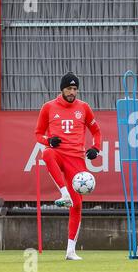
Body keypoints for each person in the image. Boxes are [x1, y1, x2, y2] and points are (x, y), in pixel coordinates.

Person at [35, 72, 102, 260]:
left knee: (77, 205)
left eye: (74, 89)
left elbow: (96, 131)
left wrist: (95, 148)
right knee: (46, 152)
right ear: (62, 89)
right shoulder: (48, 107)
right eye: (68, 88)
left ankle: (70, 251)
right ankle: (63, 193)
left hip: (77, 159)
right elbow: (38, 134)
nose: (72, 92)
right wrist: (49, 140)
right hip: (58, 153)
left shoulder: (84, 108)